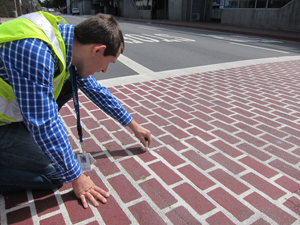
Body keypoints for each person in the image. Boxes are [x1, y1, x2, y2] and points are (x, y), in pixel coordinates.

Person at [0, 12, 152, 208]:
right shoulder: (35, 52)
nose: (105, 70)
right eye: (109, 62)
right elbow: (43, 123)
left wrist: (134, 126)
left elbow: (97, 92)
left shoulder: (66, 42)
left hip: (9, 117)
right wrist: (76, 176)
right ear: (98, 50)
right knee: (56, 174)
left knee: (69, 84)